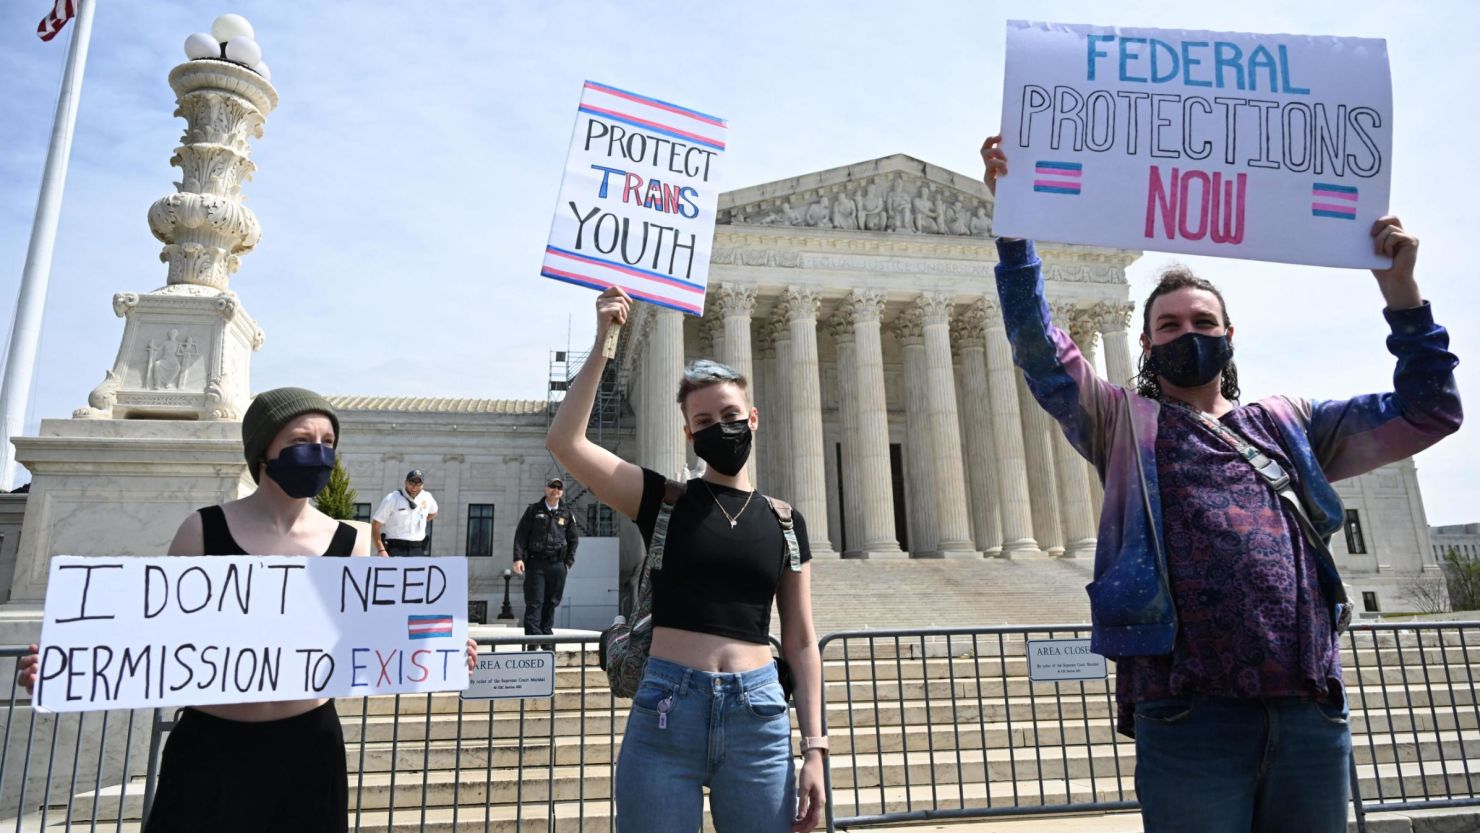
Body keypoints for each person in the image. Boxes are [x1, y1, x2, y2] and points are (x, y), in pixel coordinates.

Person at [980, 135, 1461, 833]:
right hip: (1188, 712)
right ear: (1145, 343)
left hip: (1305, 704)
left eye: (1202, 322)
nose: (1187, 333)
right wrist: (1015, 229)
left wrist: (1402, 293)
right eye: (1169, 324)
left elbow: (1430, 411)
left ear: (1229, 334)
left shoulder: (1291, 424)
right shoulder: (1124, 425)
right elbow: (1037, 347)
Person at [15, 387, 477, 833]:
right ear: (263, 451)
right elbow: (150, 631)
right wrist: (65, 661)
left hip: (309, 750)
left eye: (327, 443)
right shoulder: (203, 530)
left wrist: (444, 646)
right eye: (300, 442)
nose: (317, 452)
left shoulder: (353, 541)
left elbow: (378, 634)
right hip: (212, 750)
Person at [546, 288, 827, 833]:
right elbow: (565, 441)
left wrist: (815, 747)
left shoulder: (786, 521)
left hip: (759, 715)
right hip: (667, 708)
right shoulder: (664, 500)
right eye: (703, 420)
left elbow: (800, 640)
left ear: (752, 418)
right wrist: (606, 340)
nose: (717, 426)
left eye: (729, 414)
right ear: (689, 434)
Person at [512, 477, 580, 639]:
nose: (555, 489)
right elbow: (521, 535)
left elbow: (573, 539)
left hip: (557, 565)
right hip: (536, 563)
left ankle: (546, 637)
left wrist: (568, 562)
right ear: (546, 489)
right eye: (552, 486)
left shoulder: (566, 513)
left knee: (551, 602)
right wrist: (518, 558)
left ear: (562, 492)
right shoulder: (534, 511)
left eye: (559, 487)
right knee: (535, 602)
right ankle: (533, 640)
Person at [371, 469, 438, 556]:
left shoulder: (427, 497)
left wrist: (421, 520)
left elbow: (433, 512)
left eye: (418, 484)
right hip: (396, 547)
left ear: (422, 485)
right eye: (411, 483)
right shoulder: (392, 498)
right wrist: (381, 550)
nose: (414, 487)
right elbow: (376, 525)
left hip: (418, 548)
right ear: (405, 482)